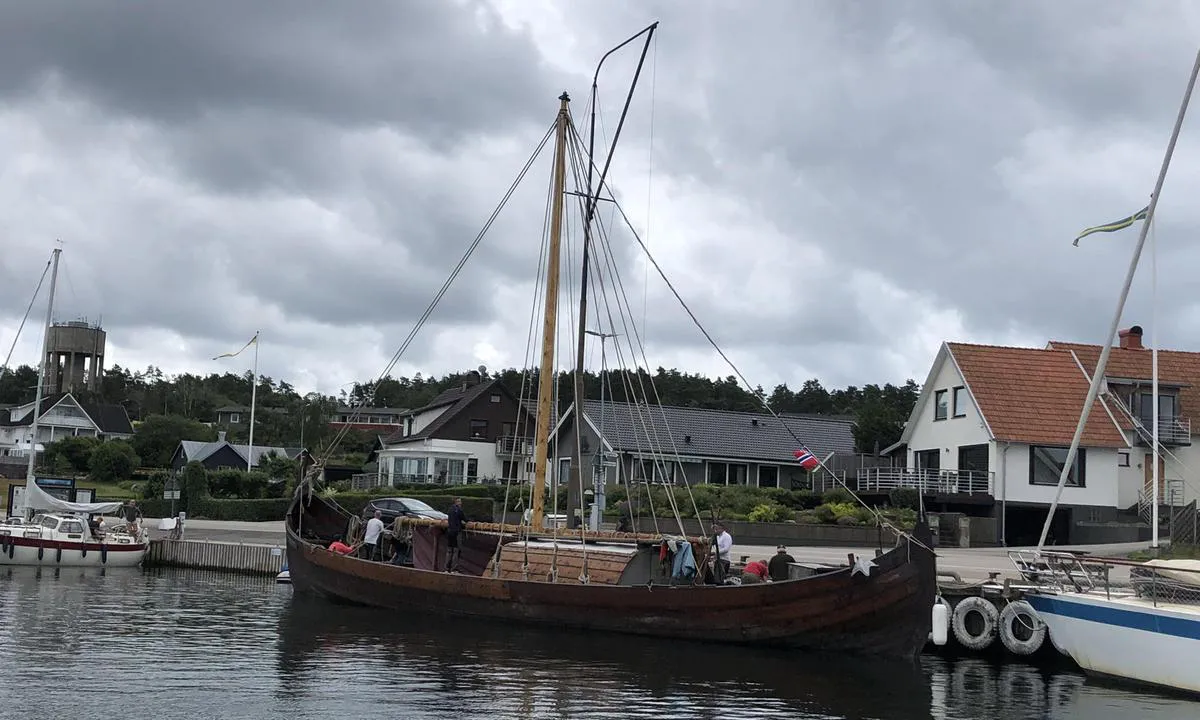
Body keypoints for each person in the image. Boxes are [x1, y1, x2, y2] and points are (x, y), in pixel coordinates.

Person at [446, 497, 467, 572]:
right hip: (456, 532)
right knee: (456, 550)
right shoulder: (459, 510)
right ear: (456, 502)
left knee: (449, 550)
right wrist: (464, 524)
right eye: (459, 501)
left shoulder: (450, 510)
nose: (461, 503)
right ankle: (454, 569)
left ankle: (447, 568)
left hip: (449, 531)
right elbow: (465, 519)